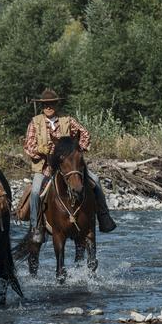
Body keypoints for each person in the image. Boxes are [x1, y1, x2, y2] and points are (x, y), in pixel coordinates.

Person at [23, 88, 116, 244]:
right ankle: (36, 227)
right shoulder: (35, 122)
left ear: (56, 104)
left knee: (96, 180)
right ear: (42, 106)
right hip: (46, 168)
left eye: (51, 104)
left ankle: (104, 216)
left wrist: (77, 150)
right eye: (45, 104)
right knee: (35, 191)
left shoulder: (68, 120)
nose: (48, 107)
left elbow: (85, 133)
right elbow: (28, 145)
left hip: (69, 167)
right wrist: (40, 150)